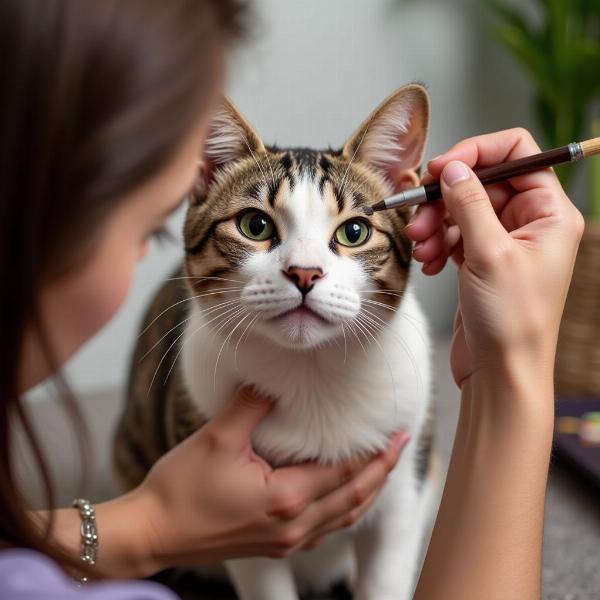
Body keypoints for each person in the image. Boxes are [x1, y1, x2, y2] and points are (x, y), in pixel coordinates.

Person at [0, 1, 584, 599]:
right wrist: (514, 372)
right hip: (204, 564)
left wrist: (150, 523)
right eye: (257, 226)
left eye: (352, 232)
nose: (305, 270)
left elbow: (403, 488)